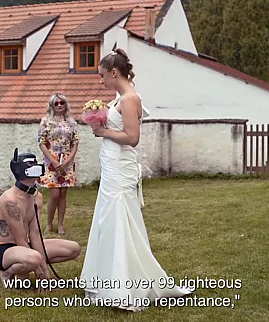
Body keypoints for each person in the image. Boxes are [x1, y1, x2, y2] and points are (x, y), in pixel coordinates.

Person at [80, 48, 192, 311]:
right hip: (111, 165)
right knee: (108, 218)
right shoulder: (121, 97)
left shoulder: (129, 98)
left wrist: (104, 131)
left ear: (114, 73)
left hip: (120, 165)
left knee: (119, 218)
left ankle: (123, 285)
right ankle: (109, 279)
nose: (101, 81)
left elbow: (132, 137)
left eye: (102, 76)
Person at [0, 148, 80, 291]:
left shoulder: (36, 196)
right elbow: (20, 239)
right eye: (29, 165)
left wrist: (46, 273)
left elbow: (35, 234)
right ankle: (8, 272)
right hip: (5, 249)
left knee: (73, 249)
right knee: (34, 259)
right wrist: (40, 272)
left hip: (26, 246)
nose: (36, 168)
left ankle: (29, 265)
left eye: (35, 164)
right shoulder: (10, 201)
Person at [37, 93, 79, 235]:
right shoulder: (46, 121)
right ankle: (49, 224)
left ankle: (60, 224)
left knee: (63, 194)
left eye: (62, 103)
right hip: (51, 160)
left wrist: (68, 160)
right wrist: (53, 161)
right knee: (54, 193)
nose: (60, 105)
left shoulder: (71, 122)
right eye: (56, 103)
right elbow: (41, 142)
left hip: (67, 160)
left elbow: (75, 142)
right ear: (52, 105)